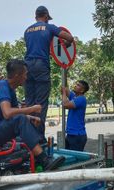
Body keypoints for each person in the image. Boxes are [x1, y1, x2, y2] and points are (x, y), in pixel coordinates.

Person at [0, 59, 65, 170]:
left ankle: (37, 157)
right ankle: (44, 160)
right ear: (17, 75)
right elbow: (8, 113)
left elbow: (13, 115)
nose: (26, 78)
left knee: (25, 122)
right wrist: (31, 109)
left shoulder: (10, 90)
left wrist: (31, 117)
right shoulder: (2, 86)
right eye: (25, 74)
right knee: (21, 119)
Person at [24, 5, 74, 141]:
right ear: (46, 16)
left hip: (26, 67)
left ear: (35, 17)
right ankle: (39, 139)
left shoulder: (27, 30)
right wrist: (66, 45)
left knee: (29, 103)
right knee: (41, 103)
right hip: (41, 65)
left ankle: (27, 137)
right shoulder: (49, 27)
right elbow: (70, 38)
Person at [62, 80, 89, 151]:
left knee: (75, 160)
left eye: (78, 85)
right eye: (76, 84)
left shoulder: (81, 99)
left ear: (82, 90)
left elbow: (65, 105)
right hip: (71, 134)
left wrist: (64, 93)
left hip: (77, 135)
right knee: (69, 158)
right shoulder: (74, 97)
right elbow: (64, 88)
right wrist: (65, 72)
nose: (75, 86)